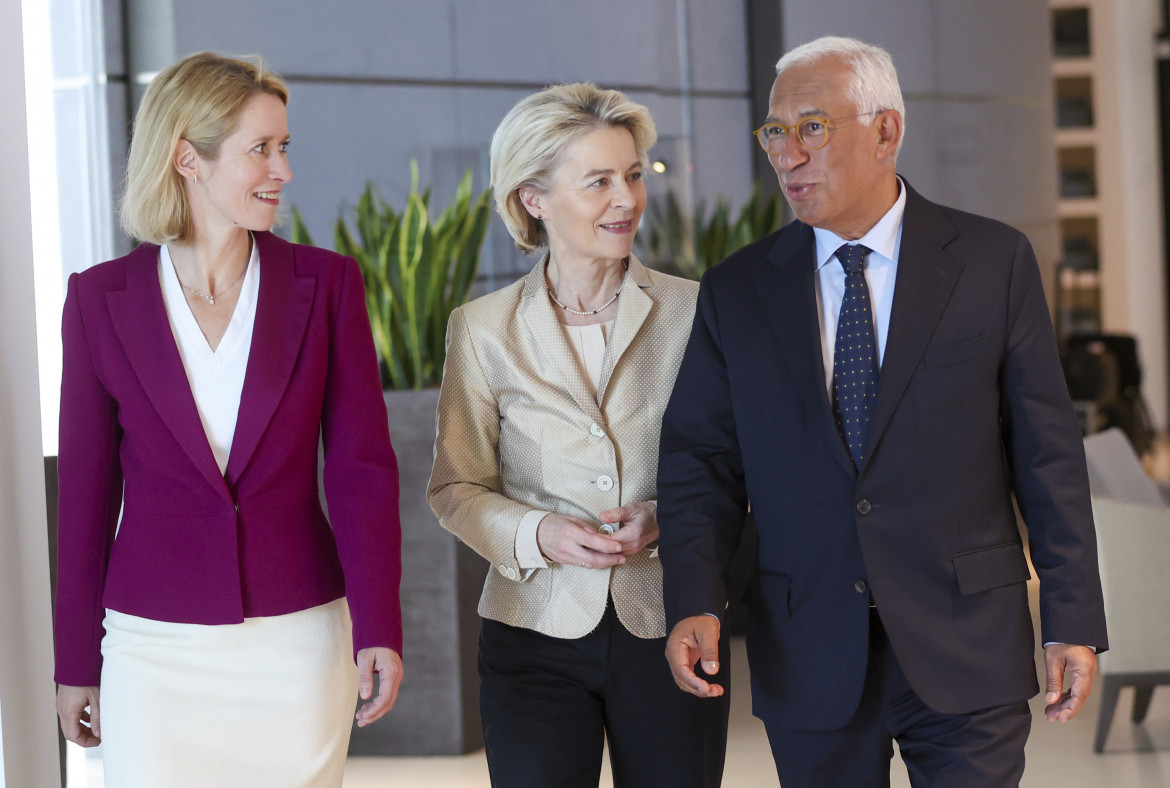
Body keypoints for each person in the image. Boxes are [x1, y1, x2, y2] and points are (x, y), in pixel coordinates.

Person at [658, 36, 1108, 786]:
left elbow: (1047, 454)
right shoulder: (737, 291)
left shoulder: (993, 262)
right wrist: (693, 599)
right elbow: (699, 460)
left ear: (885, 131)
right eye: (775, 132)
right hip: (807, 646)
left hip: (968, 641)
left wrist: (1072, 620)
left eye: (812, 127)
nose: (787, 155)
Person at [53, 52, 403, 786]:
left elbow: (360, 472)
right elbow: (85, 498)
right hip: (153, 647)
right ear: (188, 158)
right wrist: (73, 661)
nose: (283, 170)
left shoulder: (328, 285)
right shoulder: (98, 300)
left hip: (298, 640)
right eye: (260, 150)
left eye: (285, 147)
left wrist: (380, 626)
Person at [427, 82, 728, 787]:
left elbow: (737, 465)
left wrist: (669, 517)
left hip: (669, 621)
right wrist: (541, 535)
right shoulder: (483, 328)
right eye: (598, 182)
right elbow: (456, 488)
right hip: (530, 633)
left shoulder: (696, 311)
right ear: (534, 197)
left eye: (631, 176)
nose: (626, 199)